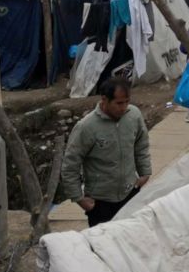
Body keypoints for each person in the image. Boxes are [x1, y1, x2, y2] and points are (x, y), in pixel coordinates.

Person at [61, 78, 152, 227]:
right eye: (119, 103)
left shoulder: (133, 115)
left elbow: (141, 144)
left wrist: (145, 172)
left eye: (126, 102)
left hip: (130, 193)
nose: (123, 107)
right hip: (100, 202)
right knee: (103, 246)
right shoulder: (86, 127)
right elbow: (70, 164)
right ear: (104, 100)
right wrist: (79, 198)